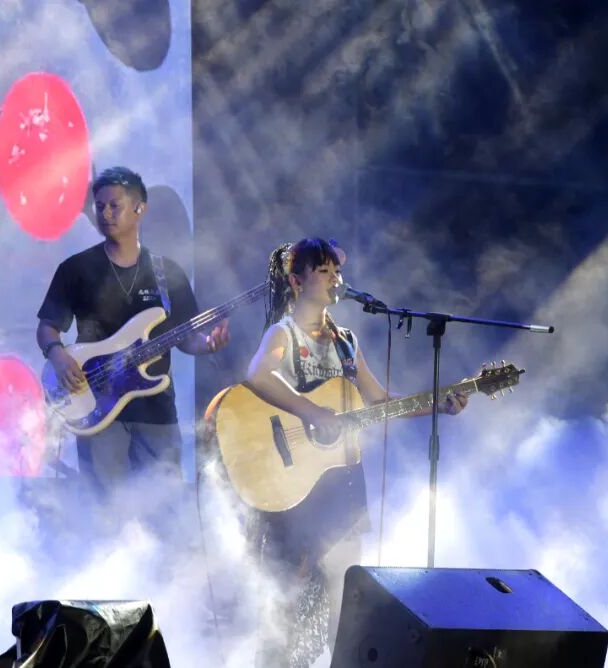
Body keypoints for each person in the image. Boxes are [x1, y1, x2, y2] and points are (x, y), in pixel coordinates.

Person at [244, 237, 468, 667]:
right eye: (323, 271)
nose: (335, 279)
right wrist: (312, 411)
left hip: (344, 483)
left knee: (346, 598)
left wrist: (438, 404)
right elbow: (259, 374)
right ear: (297, 281)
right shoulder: (283, 333)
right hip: (296, 488)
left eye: (336, 272)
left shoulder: (346, 340)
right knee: (287, 600)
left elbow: (379, 400)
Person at [36, 166, 229, 503]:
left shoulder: (167, 273)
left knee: (164, 509)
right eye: (100, 206)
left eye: (115, 206)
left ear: (140, 209)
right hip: (97, 412)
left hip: (156, 413)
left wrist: (207, 344)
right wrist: (58, 355)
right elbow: (47, 326)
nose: (106, 214)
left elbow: (186, 336)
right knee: (105, 511)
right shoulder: (76, 270)